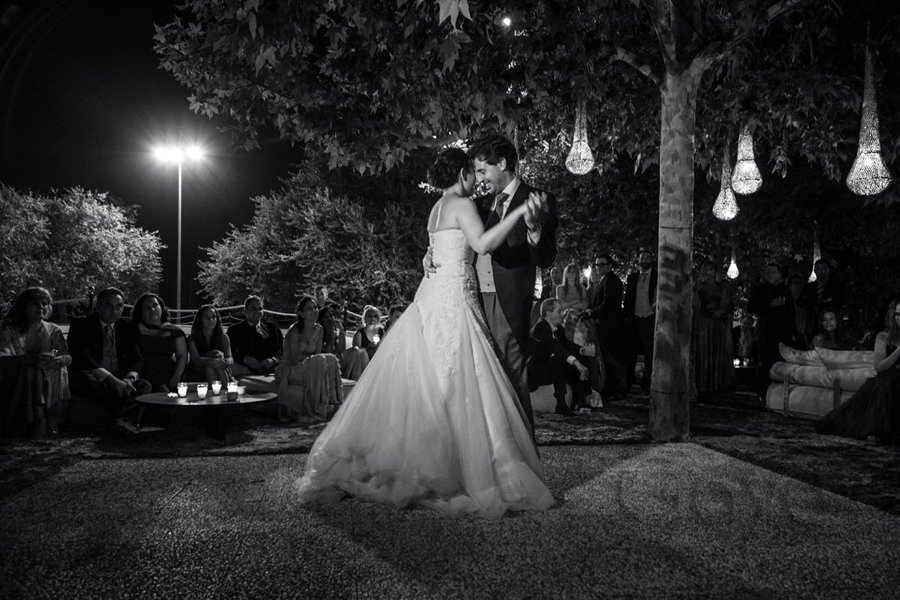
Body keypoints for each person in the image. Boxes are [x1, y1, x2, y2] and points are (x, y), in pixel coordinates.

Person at [297, 148, 554, 517]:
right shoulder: (463, 204)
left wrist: (427, 255)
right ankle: (463, 466)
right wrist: (516, 215)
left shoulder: (437, 207)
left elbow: (440, 246)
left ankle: (430, 456)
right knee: (460, 379)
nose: (478, 179)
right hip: (454, 300)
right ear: (464, 172)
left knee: (434, 379)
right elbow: (480, 244)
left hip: (433, 297)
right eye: (475, 171)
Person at [469, 134, 558, 433]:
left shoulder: (538, 199)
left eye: (483, 170)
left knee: (512, 374)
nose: (479, 178)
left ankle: (523, 448)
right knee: (483, 376)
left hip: (508, 298)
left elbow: (546, 257)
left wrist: (533, 230)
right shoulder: (481, 205)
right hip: (475, 297)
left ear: (503, 163)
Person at [816, 299, 900, 444]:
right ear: (892, 315)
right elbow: (879, 367)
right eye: (898, 314)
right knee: (888, 382)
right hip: (887, 379)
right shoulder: (883, 336)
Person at [67, 287, 151, 430]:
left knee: (144, 386)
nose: (114, 311)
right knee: (84, 379)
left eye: (119, 306)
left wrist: (129, 379)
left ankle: (119, 421)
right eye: (109, 305)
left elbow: (137, 359)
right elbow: (83, 357)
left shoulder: (127, 327)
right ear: (98, 306)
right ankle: (123, 418)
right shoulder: (81, 325)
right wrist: (111, 379)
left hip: (121, 377)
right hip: (96, 376)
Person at [0, 287, 71, 437]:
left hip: (48, 375)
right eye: (34, 304)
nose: (41, 307)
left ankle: (47, 416)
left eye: (44, 304)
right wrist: (32, 360)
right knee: (30, 370)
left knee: (54, 368)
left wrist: (56, 359)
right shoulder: (10, 330)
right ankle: (39, 416)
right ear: (24, 306)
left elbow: (65, 355)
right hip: (17, 380)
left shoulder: (54, 330)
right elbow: (4, 358)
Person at [275, 295, 342, 421]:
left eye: (316, 307)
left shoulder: (319, 329)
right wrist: (311, 361)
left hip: (310, 365)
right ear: (301, 313)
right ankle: (317, 407)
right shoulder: (294, 330)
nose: (314, 310)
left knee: (331, 358)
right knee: (319, 360)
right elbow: (294, 358)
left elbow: (317, 353)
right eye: (310, 308)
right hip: (291, 368)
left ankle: (335, 401)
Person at [528, 300, 591, 415]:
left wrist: (583, 350)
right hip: (538, 371)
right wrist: (576, 363)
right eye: (559, 311)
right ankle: (561, 404)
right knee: (558, 359)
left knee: (582, 357)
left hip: (552, 369)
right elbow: (555, 347)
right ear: (549, 313)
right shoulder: (541, 327)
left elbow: (568, 345)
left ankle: (582, 401)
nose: (563, 314)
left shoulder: (558, 329)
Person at [748, 262, 794, 401]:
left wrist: (793, 330)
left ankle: (780, 393)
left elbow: (791, 311)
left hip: (782, 331)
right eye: (768, 272)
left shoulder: (785, 290)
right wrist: (769, 305)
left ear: (780, 274)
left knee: (782, 361)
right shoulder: (759, 289)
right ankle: (764, 392)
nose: (771, 275)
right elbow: (751, 307)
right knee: (765, 362)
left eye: (774, 272)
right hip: (766, 330)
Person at [691, 260, 734, 403]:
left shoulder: (723, 287)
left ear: (716, 272)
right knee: (703, 355)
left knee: (717, 355)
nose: (709, 273)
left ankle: (716, 386)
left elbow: (728, 306)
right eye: (707, 269)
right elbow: (695, 305)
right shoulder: (699, 287)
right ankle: (703, 387)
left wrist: (721, 312)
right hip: (703, 325)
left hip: (718, 325)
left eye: (712, 270)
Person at [585, 254, 627, 400]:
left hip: (611, 326)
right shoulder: (605, 280)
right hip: (605, 324)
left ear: (609, 266)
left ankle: (619, 389)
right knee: (607, 358)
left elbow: (607, 303)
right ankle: (611, 388)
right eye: (596, 265)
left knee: (613, 358)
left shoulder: (612, 280)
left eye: (602, 264)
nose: (598, 267)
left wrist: (592, 313)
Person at [132, 293, 187, 393]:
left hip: (168, 375)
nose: (152, 310)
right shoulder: (133, 329)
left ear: (161, 308)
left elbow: (182, 355)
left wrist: (176, 376)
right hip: (142, 374)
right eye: (147, 308)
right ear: (141, 311)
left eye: (155, 305)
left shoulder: (174, 331)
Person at [623, 248, 657, 395]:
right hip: (634, 318)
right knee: (630, 352)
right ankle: (628, 382)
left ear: (652, 260)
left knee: (650, 353)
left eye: (647, 258)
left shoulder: (657, 277)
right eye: (642, 258)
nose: (644, 261)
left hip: (650, 317)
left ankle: (647, 383)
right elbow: (628, 299)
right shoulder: (632, 278)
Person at [227, 295, 284, 377]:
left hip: (272, 371)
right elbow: (229, 352)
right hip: (246, 371)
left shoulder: (273, 328)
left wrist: (273, 360)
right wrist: (245, 359)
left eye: (260, 308)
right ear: (245, 311)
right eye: (253, 308)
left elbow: (282, 348)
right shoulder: (234, 330)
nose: (257, 311)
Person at [187, 304, 233, 384]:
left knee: (218, 362)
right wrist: (213, 361)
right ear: (200, 319)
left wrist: (224, 361)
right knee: (211, 366)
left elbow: (230, 358)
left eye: (213, 317)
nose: (211, 320)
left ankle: (223, 391)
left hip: (220, 368)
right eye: (206, 317)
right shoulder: (192, 339)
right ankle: (224, 391)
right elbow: (195, 360)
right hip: (198, 372)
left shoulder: (223, 337)